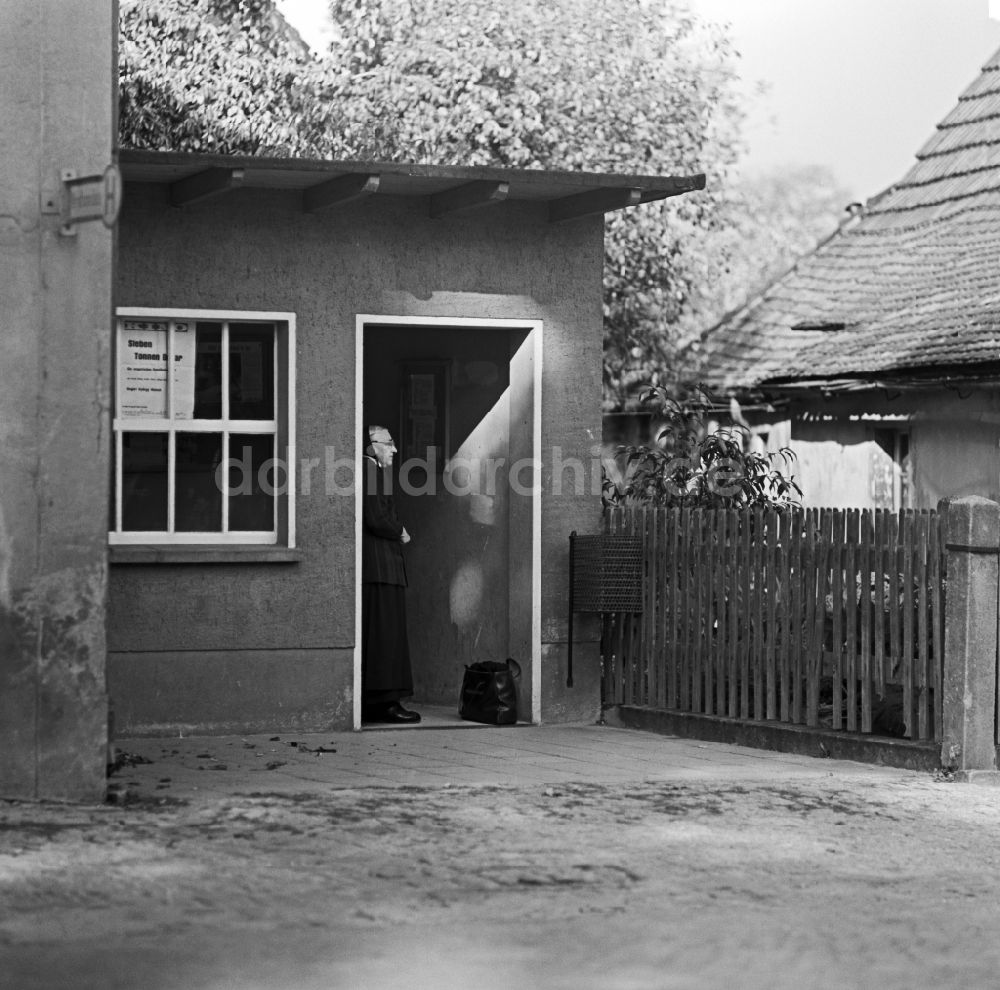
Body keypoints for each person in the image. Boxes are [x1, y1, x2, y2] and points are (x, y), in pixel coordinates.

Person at [361, 424, 421, 724]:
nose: (394, 450)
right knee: (386, 636)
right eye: (389, 443)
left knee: (385, 635)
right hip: (380, 566)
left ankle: (382, 700)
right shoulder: (370, 470)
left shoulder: (373, 470)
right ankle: (385, 703)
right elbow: (376, 517)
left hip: (382, 566)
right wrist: (400, 531)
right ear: (373, 445)